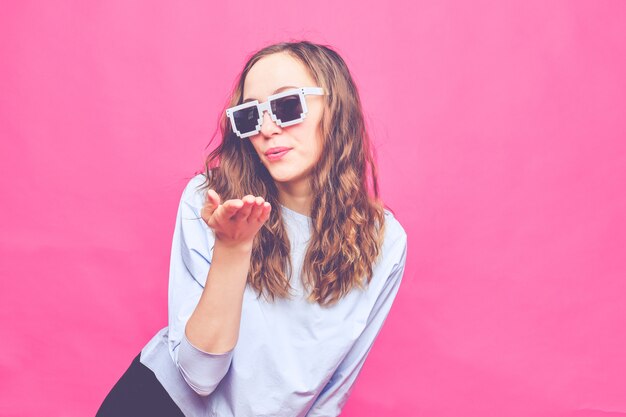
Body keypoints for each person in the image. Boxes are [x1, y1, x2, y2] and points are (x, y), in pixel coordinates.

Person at [96, 40, 408, 417]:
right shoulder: (208, 201)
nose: (268, 128)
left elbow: (332, 394)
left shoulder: (386, 242)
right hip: (162, 405)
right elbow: (200, 377)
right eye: (249, 116)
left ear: (335, 107)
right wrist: (233, 248)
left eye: (287, 105)